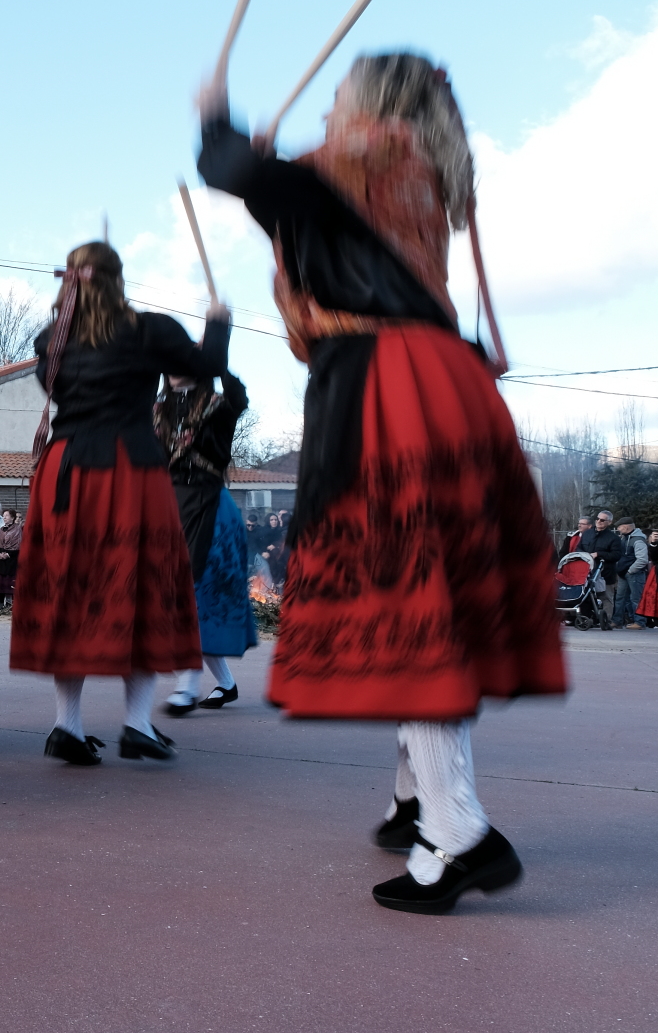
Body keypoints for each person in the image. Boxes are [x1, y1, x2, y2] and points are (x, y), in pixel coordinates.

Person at [200, 50, 565, 913]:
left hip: (386, 386)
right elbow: (299, 208)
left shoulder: (366, 152)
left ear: (371, 101)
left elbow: (243, 176)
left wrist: (217, 121)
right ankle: (417, 797)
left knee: (407, 606)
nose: (329, 111)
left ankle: (458, 827)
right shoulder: (413, 169)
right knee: (428, 600)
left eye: (338, 96)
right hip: (438, 381)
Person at [13, 242, 225, 768]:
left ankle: (68, 725)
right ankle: (136, 724)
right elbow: (206, 367)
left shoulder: (52, 340)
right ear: (118, 279)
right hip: (129, 470)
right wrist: (218, 323)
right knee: (143, 585)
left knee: (72, 589)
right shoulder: (148, 329)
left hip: (66, 470)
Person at [154, 370, 256, 714]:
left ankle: (186, 687)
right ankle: (225, 684)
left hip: (212, 511)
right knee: (181, 596)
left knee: (198, 597)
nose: (176, 370)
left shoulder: (218, 405)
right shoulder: (158, 411)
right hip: (172, 508)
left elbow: (238, 398)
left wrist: (218, 361)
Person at [0, 507, 22, 612]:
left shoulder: (17, 530)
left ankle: (9, 603)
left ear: (12, 517)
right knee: (0, 580)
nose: (4, 517)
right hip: (0, 559)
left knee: (9, 581)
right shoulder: (1, 530)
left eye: (6, 516)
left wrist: (8, 554)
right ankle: (0, 602)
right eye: (4, 516)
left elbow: (19, 546)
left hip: (11, 559)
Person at [614, 517, 648, 629]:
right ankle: (618, 621)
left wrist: (630, 571)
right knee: (620, 598)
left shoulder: (638, 540)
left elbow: (642, 559)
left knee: (635, 598)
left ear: (626, 527)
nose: (618, 529)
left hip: (634, 573)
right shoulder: (625, 538)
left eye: (619, 527)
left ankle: (639, 622)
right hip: (625, 573)